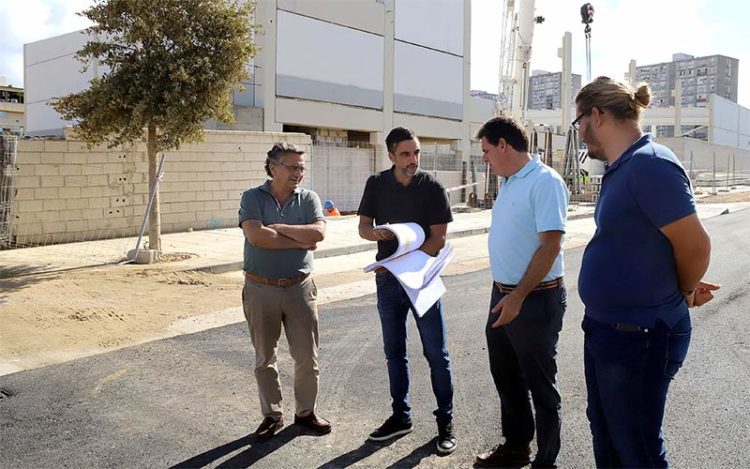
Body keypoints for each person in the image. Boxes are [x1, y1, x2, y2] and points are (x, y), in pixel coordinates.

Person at [575, 76, 718, 467]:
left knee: (637, 449)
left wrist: (684, 288)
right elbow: (645, 242)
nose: (581, 135)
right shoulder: (624, 167)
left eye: (579, 123)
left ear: (597, 115)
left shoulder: (649, 165)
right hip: (609, 330)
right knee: (607, 436)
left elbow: (695, 245)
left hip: (639, 337)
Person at [475, 116, 570, 469]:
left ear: (504, 144)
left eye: (486, 150)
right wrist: (505, 295)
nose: (484, 157)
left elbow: (550, 246)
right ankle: (516, 448)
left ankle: (546, 462)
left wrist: (516, 298)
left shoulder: (545, 182)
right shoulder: (511, 181)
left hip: (534, 298)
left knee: (541, 384)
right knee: (506, 375)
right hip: (502, 294)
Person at [357, 127, 457, 454]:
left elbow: (438, 238)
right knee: (393, 352)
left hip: (422, 278)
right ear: (390, 156)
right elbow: (363, 228)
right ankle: (401, 417)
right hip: (387, 280)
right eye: (405, 154)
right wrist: (380, 237)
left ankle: (445, 423)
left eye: (416, 153)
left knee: (436, 355)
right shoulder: (376, 184)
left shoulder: (432, 188)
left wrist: (409, 262)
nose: (413, 160)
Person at [238, 142, 332, 440]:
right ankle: (272, 415)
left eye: (301, 168)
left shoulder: (309, 199)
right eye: (293, 167)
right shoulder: (252, 197)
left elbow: (318, 233)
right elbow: (256, 235)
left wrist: (277, 227)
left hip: (300, 289)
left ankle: (305, 413)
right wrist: (298, 239)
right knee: (265, 357)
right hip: (259, 288)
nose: (298, 173)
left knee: (307, 357)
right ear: (273, 167)